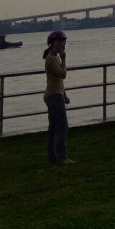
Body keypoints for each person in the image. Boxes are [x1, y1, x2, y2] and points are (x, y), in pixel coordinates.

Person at [42, 30, 73, 164]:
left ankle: (53, 157)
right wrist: (64, 58)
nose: (62, 43)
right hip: (54, 95)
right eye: (59, 41)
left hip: (55, 94)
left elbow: (58, 80)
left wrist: (64, 94)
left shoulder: (55, 56)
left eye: (63, 41)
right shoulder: (51, 59)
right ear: (52, 43)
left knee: (54, 127)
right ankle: (61, 157)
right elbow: (62, 74)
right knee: (62, 126)